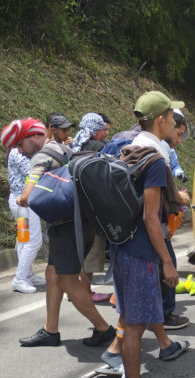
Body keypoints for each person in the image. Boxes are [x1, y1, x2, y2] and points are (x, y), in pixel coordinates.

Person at [2, 118, 116, 348]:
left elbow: (26, 195)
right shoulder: (62, 148)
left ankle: (106, 330)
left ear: (34, 136)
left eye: (20, 144)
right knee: (52, 275)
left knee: (68, 282)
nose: (20, 151)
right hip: (76, 222)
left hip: (67, 227)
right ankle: (50, 330)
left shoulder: (42, 156)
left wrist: (20, 198)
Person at [110, 91, 188, 378]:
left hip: (121, 247)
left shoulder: (128, 149)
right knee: (136, 326)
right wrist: (167, 262)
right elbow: (150, 217)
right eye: (172, 118)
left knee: (130, 318)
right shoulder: (155, 159)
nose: (175, 123)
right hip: (141, 253)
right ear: (160, 120)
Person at [71, 112, 111, 303]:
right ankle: (86, 293)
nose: (105, 133)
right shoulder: (100, 148)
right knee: (92, 251)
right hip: (94, 206)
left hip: (76, 205)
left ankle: (77, 290)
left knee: (80, 248)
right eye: (103, 129)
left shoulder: (74, 146)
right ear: (96, 131)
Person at [7, 143, 44, 294]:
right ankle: (20, 279)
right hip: (23, 201)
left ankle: (27, 274)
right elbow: (34, 171)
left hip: (20, 200)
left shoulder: (16, 150)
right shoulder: (18, 152)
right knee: (34, 241)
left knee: (24, 239)